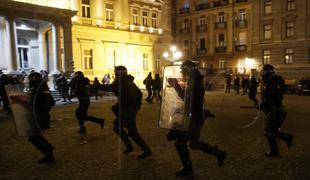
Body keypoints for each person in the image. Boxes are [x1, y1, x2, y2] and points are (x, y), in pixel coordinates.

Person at [167, 61, 227, 177]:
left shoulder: (194, 82)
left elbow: (187, 99)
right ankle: (219, 153)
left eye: (183, 71)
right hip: (194, 116)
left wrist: (176, 85)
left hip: (193, 117)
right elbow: (192, 100)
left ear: (187, 70)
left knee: (180, 143)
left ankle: (188, 169)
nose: (182, 73)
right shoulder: (195, 80)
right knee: (193, 143)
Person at [101, 66, 152, 159]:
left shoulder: (121, 82)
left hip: (127, 110)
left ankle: (146, 150)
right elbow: (139, 93)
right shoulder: (129, 81)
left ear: (118, 73)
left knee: (132, 132)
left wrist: (95, 86)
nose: (115, 74)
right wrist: (137, 106)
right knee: (117, 127)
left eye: (115, 72)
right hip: (128, 109)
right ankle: (129, 146)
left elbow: (110, 88)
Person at [12, 72, 55, 163]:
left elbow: (45, 102)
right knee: (36, 135)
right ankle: (49, 149)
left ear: (34, 79)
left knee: (33, 137)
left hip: (39, 116)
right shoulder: (38, 87)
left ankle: (49, 153)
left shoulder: (41, 88)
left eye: (31, 79)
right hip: (37, 115)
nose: (29, 81)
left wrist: (39, 112)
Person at [260, 64, 294, 157]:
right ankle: (287, 137)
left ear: (269, 71)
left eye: (264, 71)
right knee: (273, 131)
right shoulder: (271, 80)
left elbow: (275, 97)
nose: (262, 72)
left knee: (268, 131)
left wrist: (265, 103)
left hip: (274, 110)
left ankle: (274, 151)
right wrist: (263, 104)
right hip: (274, 109)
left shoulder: (273, 80)